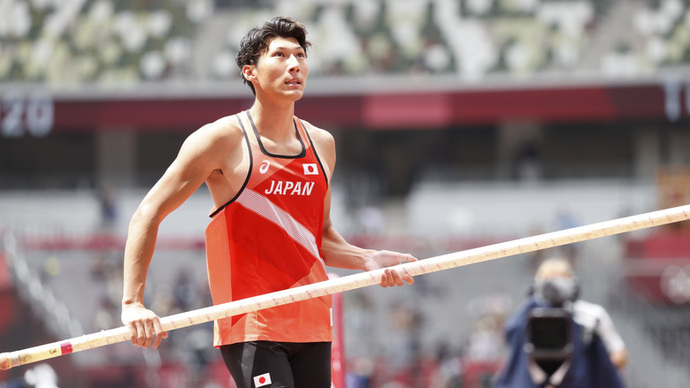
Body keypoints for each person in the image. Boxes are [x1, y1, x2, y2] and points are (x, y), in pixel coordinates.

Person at [120, 17, 417, 388]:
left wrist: (367, 259)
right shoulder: (220, 140)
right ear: (251, 71)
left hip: (312, 319)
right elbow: (148, 213)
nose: (294, 64)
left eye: (299, 56)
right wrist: (133, 302)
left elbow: (317, 237)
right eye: (279, 55)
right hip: (252, 322)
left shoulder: (322, 144)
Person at [494, 257, 627, 388]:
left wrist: (591, 362)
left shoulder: (591, 316)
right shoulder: (526, 318)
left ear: (572, 282)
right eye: (548, 281)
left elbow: (619, 355)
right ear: (538, 284)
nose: (555, 288)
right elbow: (510, 338)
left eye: (560, 280)